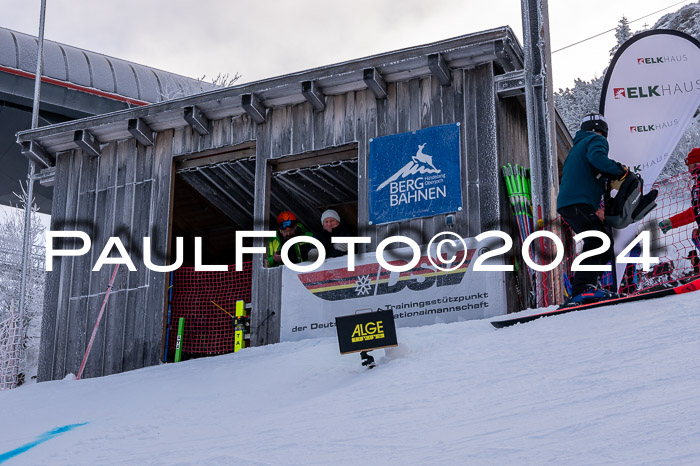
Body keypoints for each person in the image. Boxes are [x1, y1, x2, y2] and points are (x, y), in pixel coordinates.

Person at [557, 112, 628, 303]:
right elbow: (598, 159)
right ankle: (582, 288)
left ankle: (588, 286)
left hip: (571, 203)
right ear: (603, 131)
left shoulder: (578, 147)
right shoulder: (596, 140)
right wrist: (620, 170)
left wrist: (604, 181)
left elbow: (591, 170)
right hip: (578, 202)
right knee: (598, 241)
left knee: (602, 244)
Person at [659, 147, 700, 252]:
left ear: (696, 163)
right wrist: (672, 222)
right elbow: (696, 211)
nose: (688, 170)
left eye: (689, 165)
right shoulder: (697, 185)